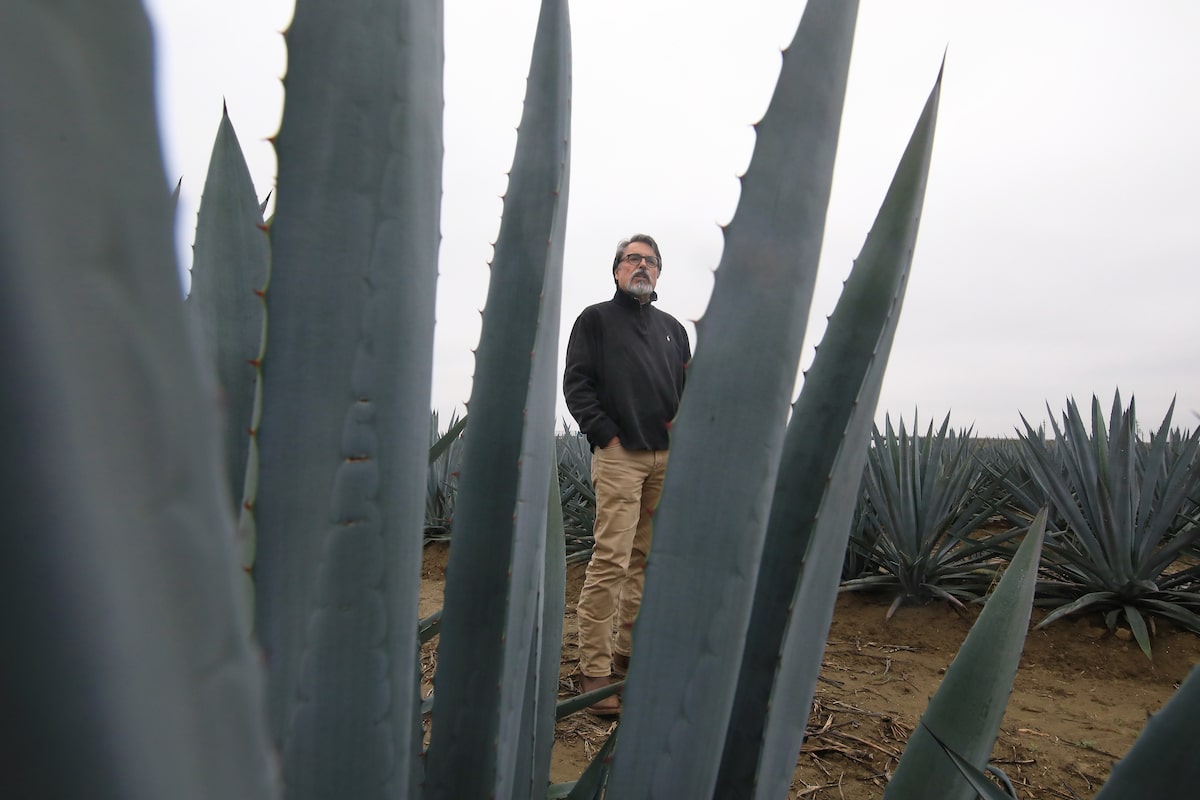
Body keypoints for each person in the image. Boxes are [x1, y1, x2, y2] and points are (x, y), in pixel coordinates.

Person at [562, 233, 691, 716]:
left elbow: (687, 391)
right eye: (632, 259)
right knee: (611, 560)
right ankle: (593, 671)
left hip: (665, 459)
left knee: (646, 563)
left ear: (659, 272)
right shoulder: (595, 319)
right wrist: (605, 435)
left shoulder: (673, 329)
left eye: (650, 261)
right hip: (620, 457)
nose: (641, 266)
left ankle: (628, 657)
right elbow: (576, 383)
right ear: (616, 269)